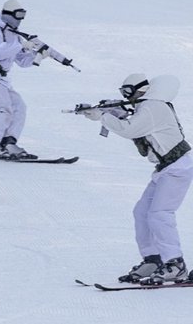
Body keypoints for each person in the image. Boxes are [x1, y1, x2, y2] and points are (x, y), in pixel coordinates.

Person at [79, 74, 193, 285]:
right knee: (141, 211)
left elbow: (131, 129)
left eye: (128, 93)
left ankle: (175, 264)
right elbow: (135, 124)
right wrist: (112, 112)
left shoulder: (153, 106)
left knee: (160, 214)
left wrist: (102, 116)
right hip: (166, 169)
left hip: (177, 168)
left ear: (141, 90)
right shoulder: (148, 107)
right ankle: (152, 259)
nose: (126, 97)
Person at [0, 0, 48, 159]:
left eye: (23, 15)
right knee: (2, 110)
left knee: (19, 107)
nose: (20, 19)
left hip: (0, 79)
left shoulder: (15, 35)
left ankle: (8, 142)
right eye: (18, 15)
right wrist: (21, 46)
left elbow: (21, 61)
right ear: (7, 14)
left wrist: (37, 55)